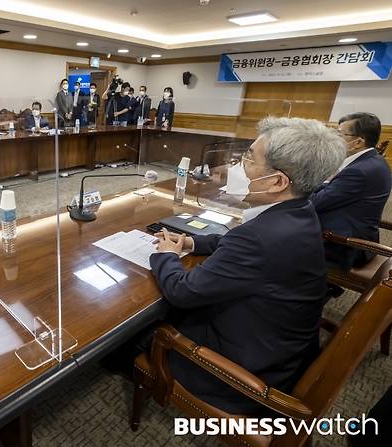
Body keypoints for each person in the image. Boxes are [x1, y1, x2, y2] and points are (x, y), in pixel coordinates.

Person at [147, 117, 345, 414]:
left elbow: (183, 291)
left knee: (143, 331)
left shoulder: (260, 239)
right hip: (279, 347)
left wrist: (166, 254)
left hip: (243, 372)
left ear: (278, 181)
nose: (235, 166)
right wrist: (191, 243)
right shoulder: (298, 210)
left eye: (248, 159)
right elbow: (236, 241)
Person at [310, 112, 391, 272]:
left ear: (358, 142)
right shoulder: (372, 160)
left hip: (343, 245)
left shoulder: (359, 171)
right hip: (353, 231)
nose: (334, 138)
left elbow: (315, 203)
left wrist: (295, 186)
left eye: (339, 134)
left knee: (278, 236)